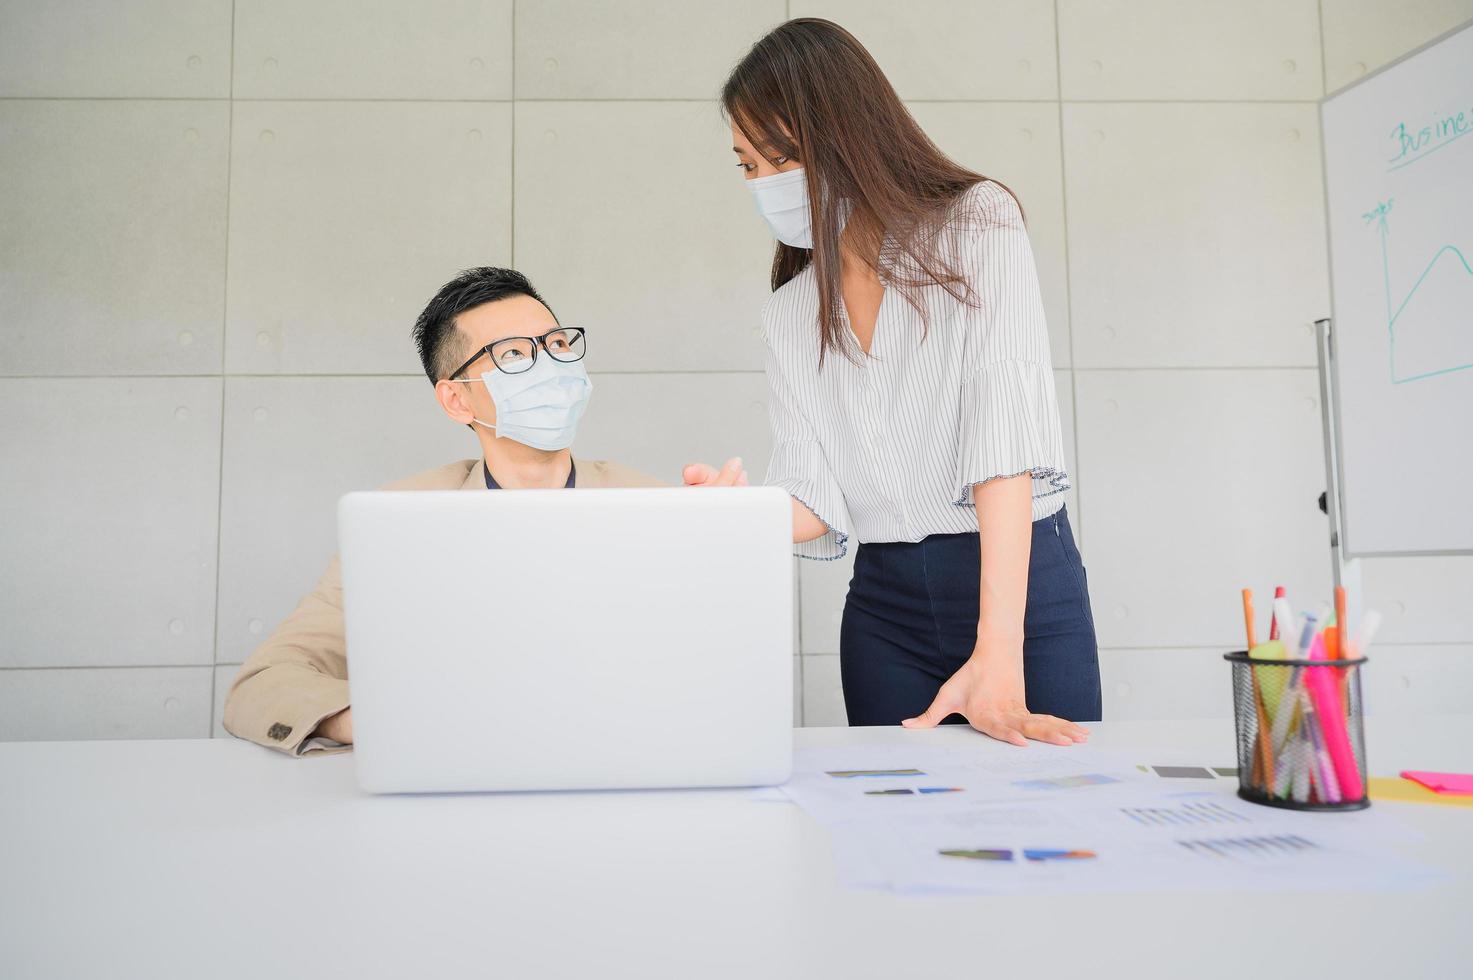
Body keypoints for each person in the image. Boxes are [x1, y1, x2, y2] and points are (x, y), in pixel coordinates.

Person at [687, 19, 1100, 746]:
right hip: (885, 613)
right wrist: (731, 514)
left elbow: (1005, 449)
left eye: (778, 156)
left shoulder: (977, 223)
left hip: (1020, 595)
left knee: (1051, 834)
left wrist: (997, 651)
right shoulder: (789, 312)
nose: (763, 184)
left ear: (845, 131)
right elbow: (814, 497)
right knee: (895, 841)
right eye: (746, 166)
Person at [224, 267, 743, 755]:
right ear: (456, 401)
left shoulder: (657, 508)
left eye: (557, 344)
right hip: (460, 781)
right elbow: (263, 685)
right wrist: (374, 721)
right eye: (514, 354)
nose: (550, 365)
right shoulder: (400, 522)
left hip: (625, 766)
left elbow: (714, 676)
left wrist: (717, 550)